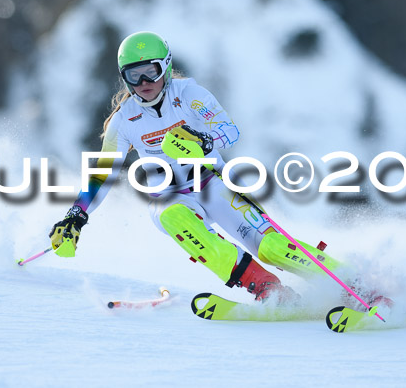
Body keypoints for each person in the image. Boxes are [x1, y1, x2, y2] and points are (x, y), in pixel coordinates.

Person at [47, 31, 340, 302]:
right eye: (133, 76)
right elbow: (102, 172)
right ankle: (266, 287)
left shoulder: (188, 94)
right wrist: (75, 216)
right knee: (175, 219)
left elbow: (229, 129)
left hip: (213, 183)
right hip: (169, 196)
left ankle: (351, 283)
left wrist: (204, 140)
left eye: (151, 72)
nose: (144, 83)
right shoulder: (124, 119)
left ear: (166, 67)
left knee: (273, 248)